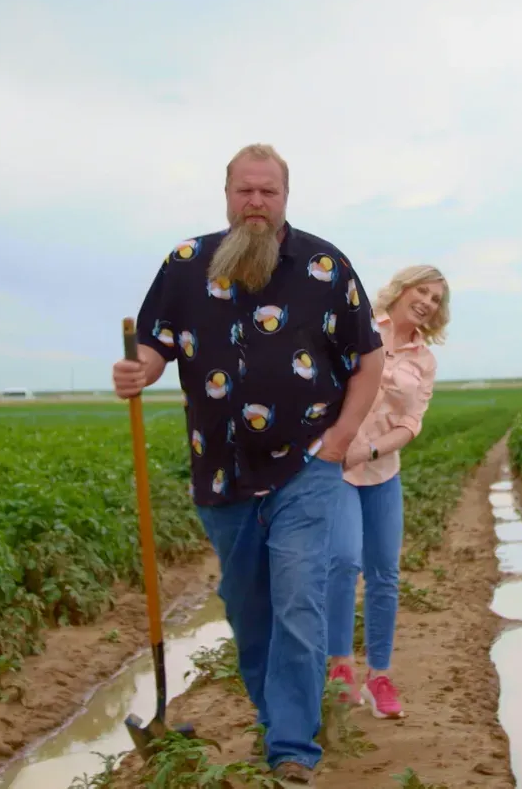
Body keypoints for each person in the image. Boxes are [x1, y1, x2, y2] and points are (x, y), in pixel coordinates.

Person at [112, 143, 384, 784]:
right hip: (221, 472)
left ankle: (292, 749)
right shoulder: (185, 266)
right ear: (227, 195)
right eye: (245, 192)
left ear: (285, 198)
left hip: (306, 469)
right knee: (248, 609)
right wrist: (139, 371)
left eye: (269, 192)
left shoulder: (324, 266)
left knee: (297, 603)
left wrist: (341, 438)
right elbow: (157, 345)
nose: (256, 203)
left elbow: (368, 358)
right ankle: (276, 718)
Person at [323, 264, 448, 720]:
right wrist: (341, 442)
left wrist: (370, 449)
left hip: (381, 471)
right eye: (423, 290)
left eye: (436, 299)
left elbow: (410, 425)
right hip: (335, 468)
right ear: (401, 289)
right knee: (341, 561)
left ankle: (379, 676)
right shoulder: (357, 325)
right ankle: (340, 667)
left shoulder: (424, 361)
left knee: (384, 574)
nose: (428, 302)